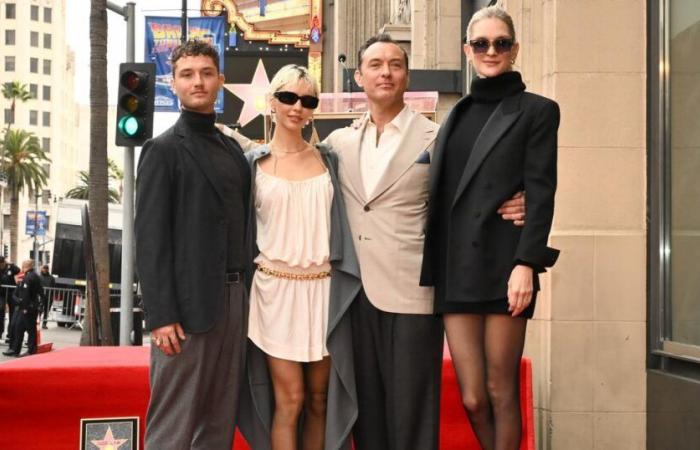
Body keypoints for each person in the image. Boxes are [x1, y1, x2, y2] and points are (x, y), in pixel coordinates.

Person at [324, 34, 526, 450]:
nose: (386, 72)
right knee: (368, 418)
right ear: (358, 76)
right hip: (354, 295)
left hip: (413, 293)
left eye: (395, 64)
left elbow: (478, 188)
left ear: (407, 76)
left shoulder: (438, 137)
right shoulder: (338, 144)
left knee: (412, 416)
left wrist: (525, 201)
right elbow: (289, 167)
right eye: (376, 64)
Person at [420, 6, 560, 449]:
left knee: (501, 391)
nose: (491, 51)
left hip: (504, 264)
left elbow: (541, 192)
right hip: (456, 266)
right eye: (481, 44)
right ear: (467, 50)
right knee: (473, 396)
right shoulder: (454, 116)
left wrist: (526, 264)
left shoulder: (537, 111)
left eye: (501, 43)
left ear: (514, 49)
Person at [135, 39, 250, 449]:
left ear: (220, 80)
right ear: (173, 83)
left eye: (205, 73)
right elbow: (150, 240)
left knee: (218, 425)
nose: (197, 82)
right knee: (173, 426)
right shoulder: (162, 150)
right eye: (187, 74)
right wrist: (161, 315)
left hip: (236, 303)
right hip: (184, 312)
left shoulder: (233, 150)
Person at [238, 65, 361, 450]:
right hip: (274, 294)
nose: (297, 107)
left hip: (324, 292)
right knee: (289, 400)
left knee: (321, 400)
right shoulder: (253, 166)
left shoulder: (330, 161)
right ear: (271, 102)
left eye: (307, 100)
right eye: (288, 97)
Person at [2, 260, 42, 357]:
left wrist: (24, 307)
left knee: (29, 329)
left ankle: (30, 350)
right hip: (26, 306)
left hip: (27, 307)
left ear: (25, 266)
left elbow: (26, 294)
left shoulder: (30, 277)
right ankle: (16, 349)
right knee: (18, 328)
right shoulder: (31, 275)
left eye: (23, 265)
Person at [0, 256, 21, 343]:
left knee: (13, 314)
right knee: (1, 312)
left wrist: (11, 264)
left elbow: (18, 270)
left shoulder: (10, 268)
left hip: (11, 293)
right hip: (1, 294)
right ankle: (0, 333)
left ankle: (10, 335)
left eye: (2, 263)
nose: (1, 265)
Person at [39, 264, 56, 329]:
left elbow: (54, 287)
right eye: (44, 268)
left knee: (46, 311)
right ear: (41, 269)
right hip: (40, 297)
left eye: (46, 268)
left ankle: (44, 324)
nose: (45, 269)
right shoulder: (39, 277)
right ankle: (37, 322)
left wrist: (52, 296)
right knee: (39, 310)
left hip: (49, 297)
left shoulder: (51, 278)